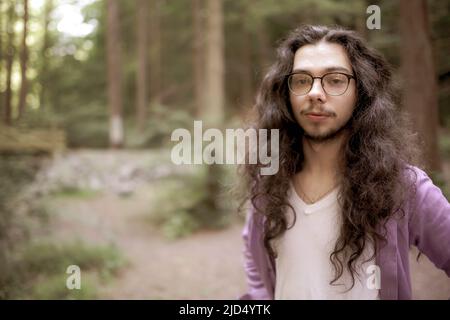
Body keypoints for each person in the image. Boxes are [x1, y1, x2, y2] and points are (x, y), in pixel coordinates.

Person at [238, 24, 450, 300]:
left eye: (335, 80)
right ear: (286, 94)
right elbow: (255, 259)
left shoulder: (404, 187)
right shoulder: (267, 182)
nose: (315, 92)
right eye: (302, 80)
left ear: (360, 93)